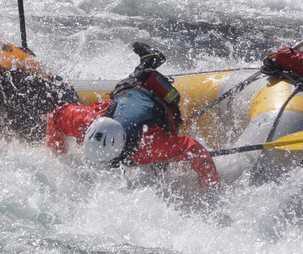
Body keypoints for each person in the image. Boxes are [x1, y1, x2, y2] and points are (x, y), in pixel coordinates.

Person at [46, 42, 221, 191]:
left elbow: (193, 148)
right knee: (124, 86)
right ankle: (148, 62)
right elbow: (55, 117)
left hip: (161, 106)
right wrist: (59, 156)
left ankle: (149, 65)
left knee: (161, 164)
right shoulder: (88, 121)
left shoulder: (147, 145)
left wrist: (210, 187)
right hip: (128, 92)